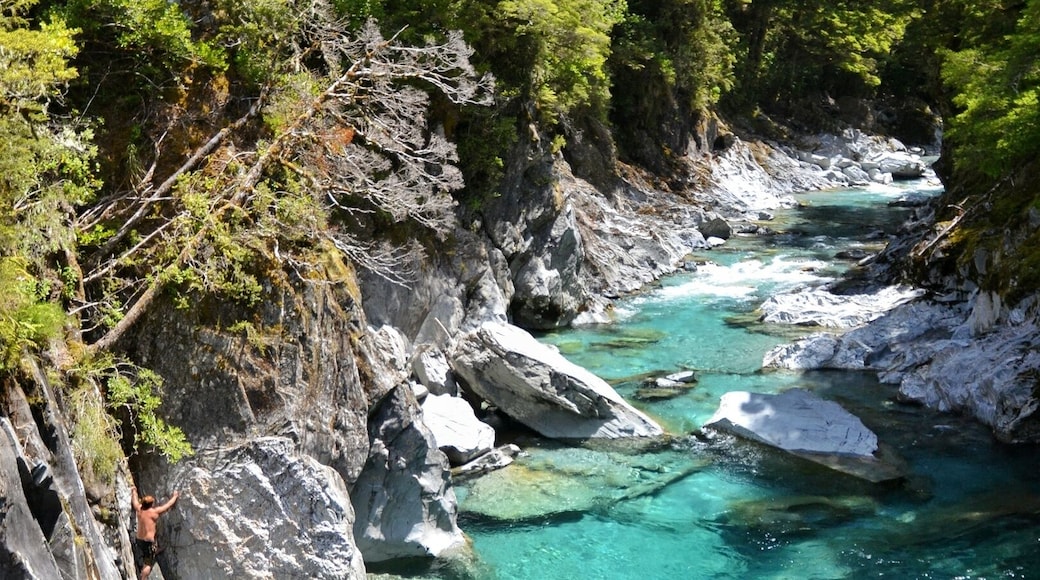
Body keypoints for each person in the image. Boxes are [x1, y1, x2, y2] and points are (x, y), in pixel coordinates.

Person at [131, 485, 180, 580]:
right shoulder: (154, 512)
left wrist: (134, 491)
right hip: (148, 542)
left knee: (150, 548)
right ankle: (143, 578)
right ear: (150, 505)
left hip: (139, 540)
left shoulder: (139, 509)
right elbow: (168, 505)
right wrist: (175, 496)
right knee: (148, 562)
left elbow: (135, 501)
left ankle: (155, 551)